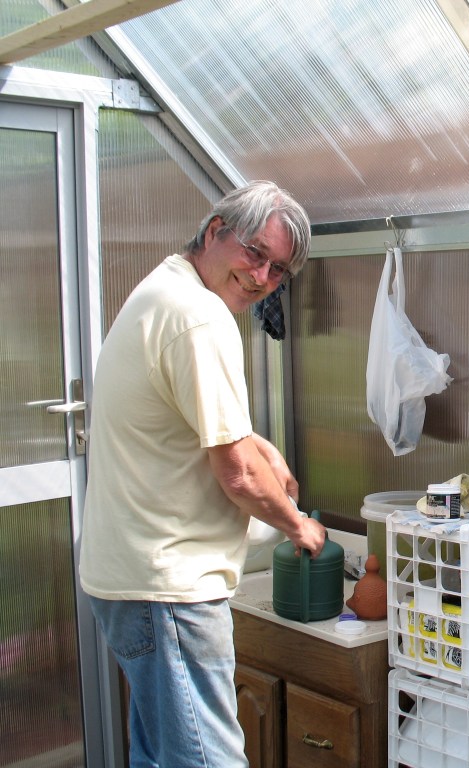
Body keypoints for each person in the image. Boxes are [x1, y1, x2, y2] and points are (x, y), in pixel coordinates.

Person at [79, 180, 326, 767]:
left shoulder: (164, 288)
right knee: (207, 758)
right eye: (255, 253)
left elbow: (181, 414)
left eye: (278, 270)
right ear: (216, 230)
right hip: (169, 586)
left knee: (158, 754)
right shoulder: (200, 317)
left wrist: (261, 446)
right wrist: (299, 526)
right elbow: (237, 475)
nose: (261, 277)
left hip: (130, 578)